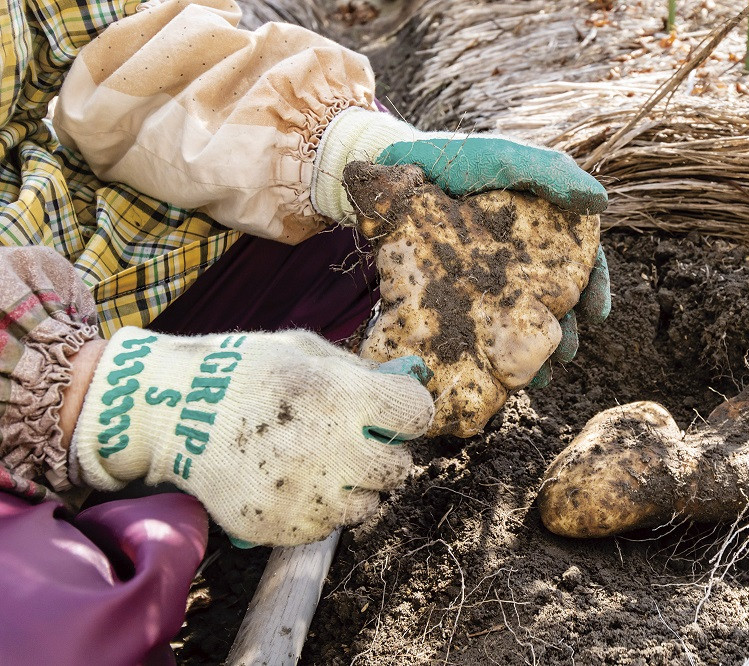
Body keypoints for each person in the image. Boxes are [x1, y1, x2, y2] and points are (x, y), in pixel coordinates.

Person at [0, 0, 610, 662]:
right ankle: (124, 488)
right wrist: (94, 393)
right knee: (50, 634)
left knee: (344, 219)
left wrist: (347, 155)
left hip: (68, 272)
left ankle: (160, 474)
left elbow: (107, 54)